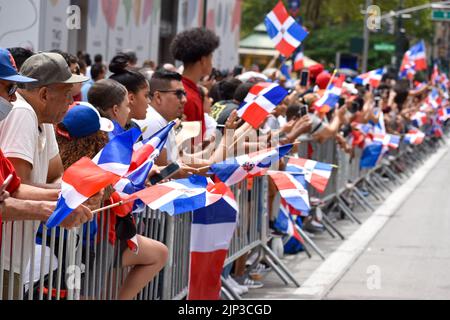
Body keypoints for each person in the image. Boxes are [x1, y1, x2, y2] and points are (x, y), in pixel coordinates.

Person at [0, 49, 93, 298]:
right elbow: (14, 191)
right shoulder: (22, 113)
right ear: (43, 94)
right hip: (5, 256)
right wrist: (60, 200)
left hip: (17, 254)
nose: (70, 104)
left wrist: (70, 194)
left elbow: (53, 175)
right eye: (66, 96)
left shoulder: (43, 119)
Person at [170, 28, 220, 139]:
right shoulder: (189, 97)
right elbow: (193, 144)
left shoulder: (187, 89)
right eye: (211, 57)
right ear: (203, 61)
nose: (212, 62)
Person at [109, 54, 150, 129]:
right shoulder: (105, 135)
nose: (149, 101)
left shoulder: (134, 128)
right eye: (146, 95)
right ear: (131, 98)